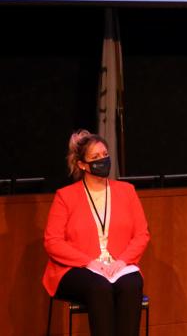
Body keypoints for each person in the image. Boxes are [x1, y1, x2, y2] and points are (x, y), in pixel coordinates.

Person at [43, 130, 150, 336]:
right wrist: (89, 262)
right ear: (82, 165)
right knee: (99, 287)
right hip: (77, 268)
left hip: (118, 266)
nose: (103, 160)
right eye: (95, 157)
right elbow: (52, 241)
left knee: (131, 284)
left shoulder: (126, 191)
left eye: (105, 154)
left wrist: (122, 261)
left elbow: (142, 234)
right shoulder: (65, 196)